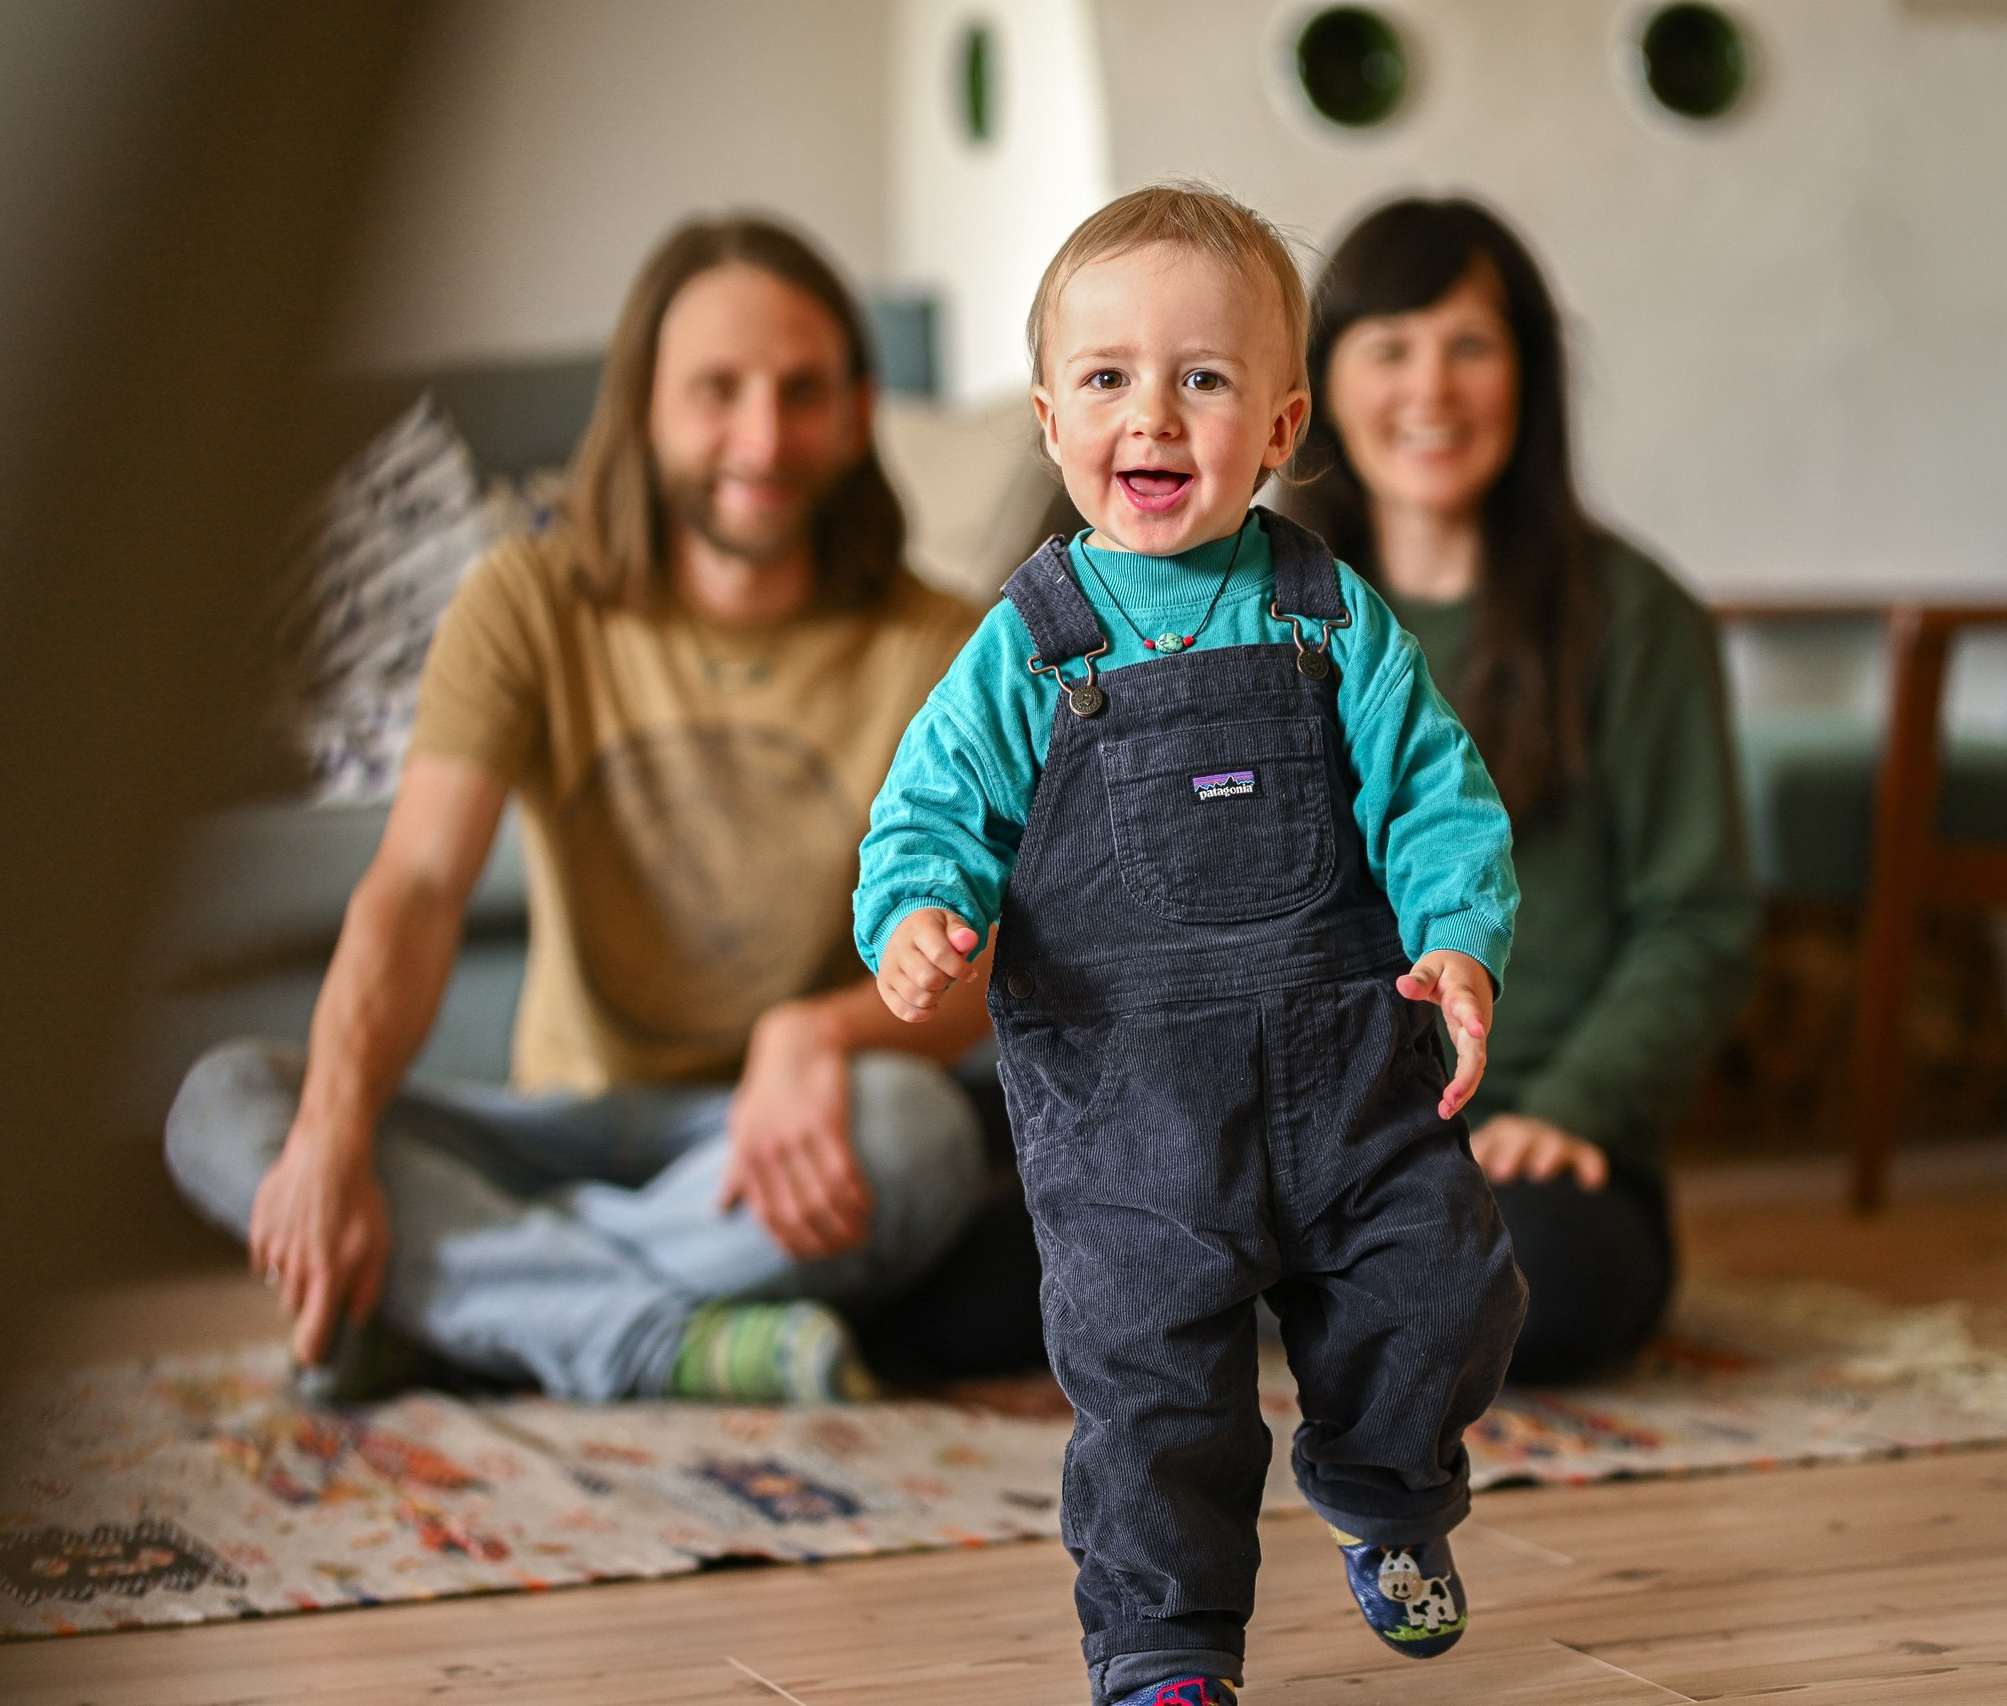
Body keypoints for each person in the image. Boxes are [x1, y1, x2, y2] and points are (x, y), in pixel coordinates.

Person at [858, 185, 1527, 1706]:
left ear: (1282, 423)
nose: (1151, 415)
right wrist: (913, 917)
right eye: (1107, 378)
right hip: (1128, 1114)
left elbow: (1434, 792)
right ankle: (1163, 1647)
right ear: (1047, 419)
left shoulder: (1329, 616)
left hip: (1356, 1075)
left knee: (1453, 1279)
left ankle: (1384, 1484)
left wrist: (1460, 938)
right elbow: (924, 813)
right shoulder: (1027, 645)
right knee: (1155, 1395)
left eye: (1202, 378)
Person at [165, 216, 997, 1406]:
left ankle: (453, 1296)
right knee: (227, 1103)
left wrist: (819, 1033)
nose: (760, 437)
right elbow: (413, 887)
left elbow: (979, 949)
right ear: (644, 405)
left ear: (860, 411)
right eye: (717, 390)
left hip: (763, 1141)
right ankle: (651, 1339)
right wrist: (335, 1137)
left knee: (922, 1139)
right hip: (549, 1112)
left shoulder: (947, 645)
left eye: (801, 391)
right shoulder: (525, 600)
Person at [1284, 196, 1760, 1381]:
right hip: (1302, 1139)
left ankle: (1305, 1300)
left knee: (1532, 1283)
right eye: (1389, 348)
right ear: (1321, 386)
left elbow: (1696, 921)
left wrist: (1571, 1108)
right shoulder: (1260, 616)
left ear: (1530, 378)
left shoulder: (1638, 618)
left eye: (1471, 347)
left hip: (1530, 1154)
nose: (1430, 391)